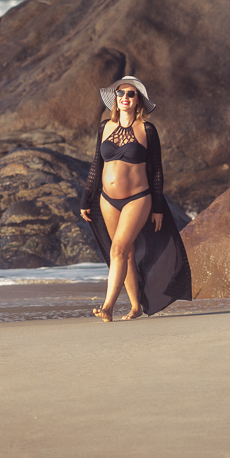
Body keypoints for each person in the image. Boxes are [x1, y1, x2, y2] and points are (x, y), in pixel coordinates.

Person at [80, 76, 192, 322]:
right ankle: (135, 306)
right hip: (107, 199)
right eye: (121, 93)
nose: (125, 98)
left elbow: (157, 170)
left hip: (138, 198)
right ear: (115, 99)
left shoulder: (147, 130)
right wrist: (86, 198)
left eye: (131, 94)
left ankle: (108, 305)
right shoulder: (104, 127)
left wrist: (159, 207)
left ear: (138, 100)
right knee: (125, 252)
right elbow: (96, 165)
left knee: (118, 248)